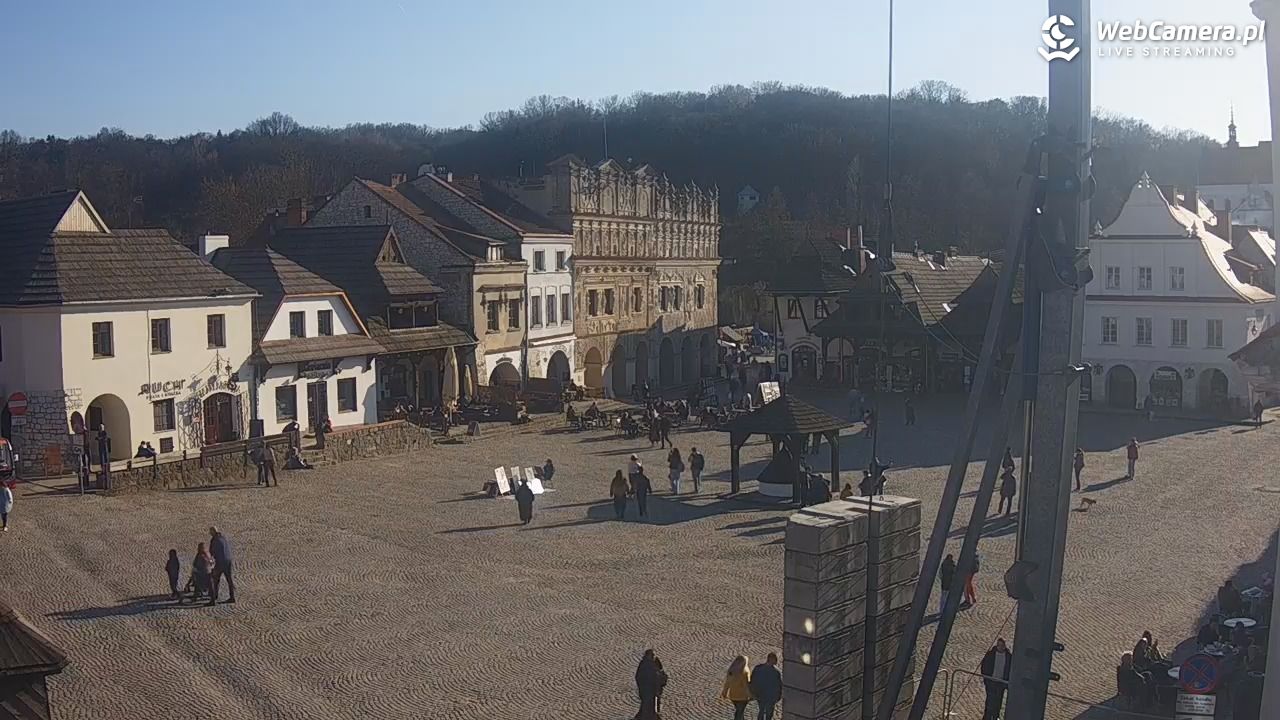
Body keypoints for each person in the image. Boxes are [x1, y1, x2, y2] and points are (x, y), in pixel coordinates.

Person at [980, 638, 1012, 720]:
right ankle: (987, 717)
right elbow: (984, 666)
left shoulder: (1008, 657)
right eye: (999, 645)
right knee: (989, 701)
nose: (1000, 647)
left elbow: (1010, 670)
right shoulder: (990, 655)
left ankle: (995, 717)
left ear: (1004, 646)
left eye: (1002, 645)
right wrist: (986, 679)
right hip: (991, 681)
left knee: (998, 702)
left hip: (1001, 683)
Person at [207, 526, 236, 605]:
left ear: (213, 532)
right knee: (229, 579)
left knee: (215, 579)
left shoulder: (214, 540)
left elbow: (211, 553)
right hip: (228, 560)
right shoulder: (223, 538)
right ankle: (232, 597)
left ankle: (214, 598)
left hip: (220, 562)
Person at [750, 653, 782, 720]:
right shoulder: (775, 672)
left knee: (762, 711)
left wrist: (753, 692)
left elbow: (753, 681)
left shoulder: (758, 668)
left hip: (761, 695)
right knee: (768, 713)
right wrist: (778, 696)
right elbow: (778, 686)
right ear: (771, 659)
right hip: (769, 696)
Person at [720, 655, 752, 720]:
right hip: (742, 697)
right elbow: (746, 686)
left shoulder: (731, 671)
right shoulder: (745, 672)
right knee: (739, 712)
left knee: (740, 711)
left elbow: (727, 683)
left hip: (733, 696)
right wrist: (750, 695)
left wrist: (724, 692)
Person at [635, 649, 663, 719]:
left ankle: (645, 715)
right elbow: (656, 676)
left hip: (645, 688)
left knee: (646, 703)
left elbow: (638, 676)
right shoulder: (651, 665)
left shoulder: (643, 664)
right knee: (650, 703)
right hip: (650, 688)